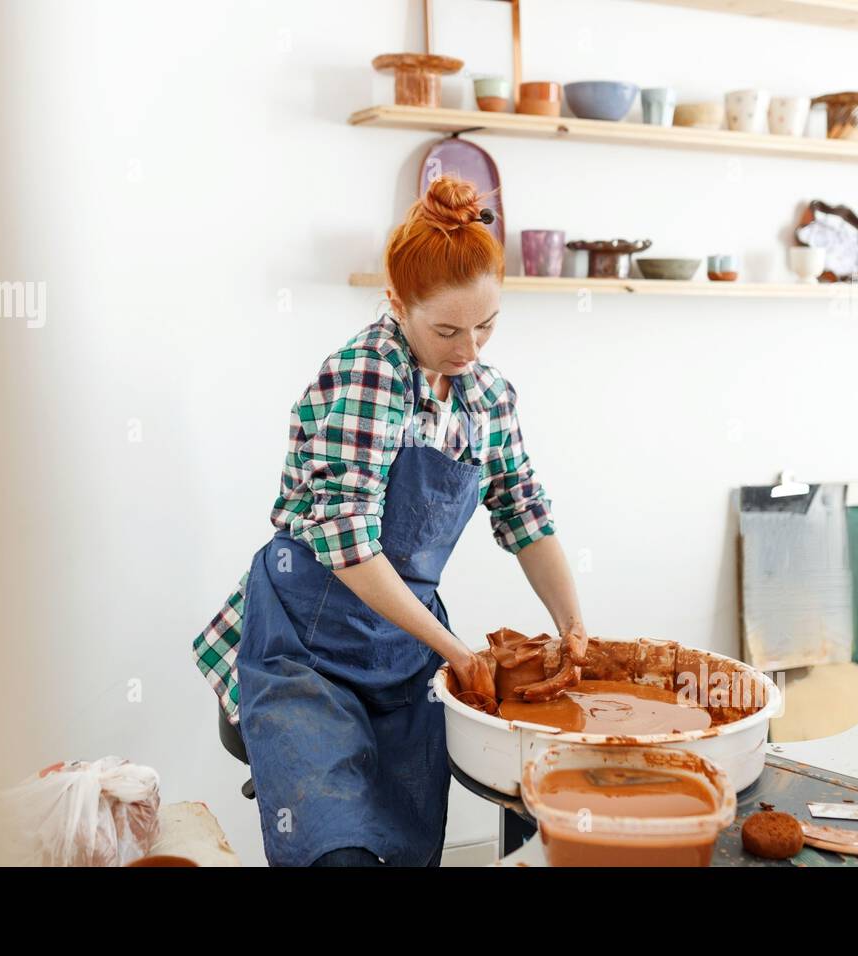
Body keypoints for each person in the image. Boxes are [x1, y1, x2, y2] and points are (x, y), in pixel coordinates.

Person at [192, 174, 587, 866]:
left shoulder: (486, 398)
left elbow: (525, 513)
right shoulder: (367, 375)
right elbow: (349, 547)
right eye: (446, 330)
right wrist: (458, 651)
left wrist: (574, 626)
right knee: (339, 850)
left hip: (402, 647)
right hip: (308, 638)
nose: (469, 350)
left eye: (486, 326)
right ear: (397, 304)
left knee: (404, 843)